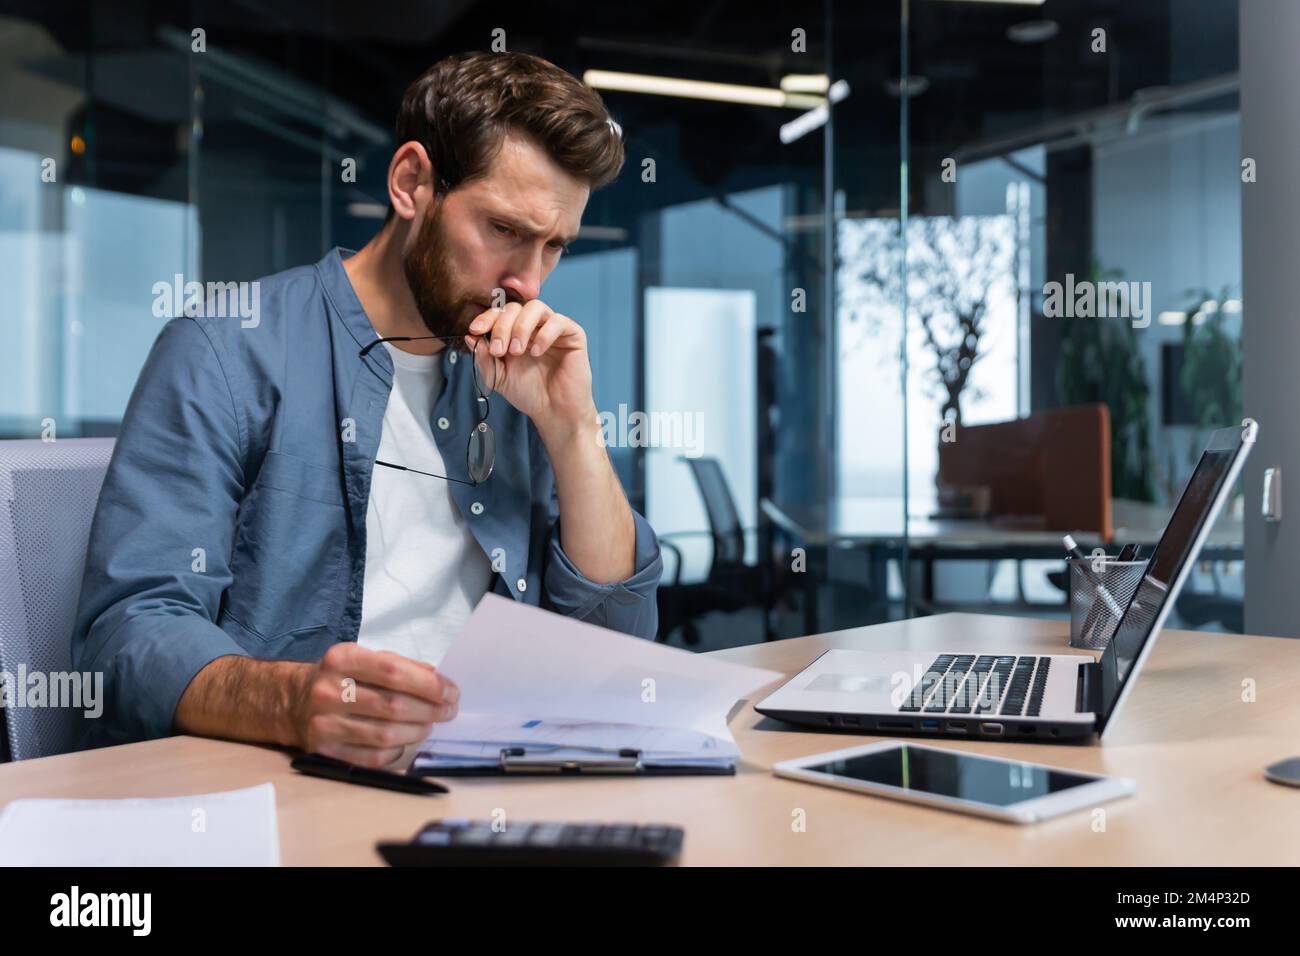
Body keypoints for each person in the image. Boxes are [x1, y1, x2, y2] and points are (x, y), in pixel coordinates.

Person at [73, 51, 662, 767]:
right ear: (412, 182)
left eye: (555, 247)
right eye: (504, 230)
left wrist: (572, 431)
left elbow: (616, 647)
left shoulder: (518, 371)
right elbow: (128, 636)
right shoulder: (226, 352)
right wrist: (290, 704)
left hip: (496, 773)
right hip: (298, 787)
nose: (529, 283)